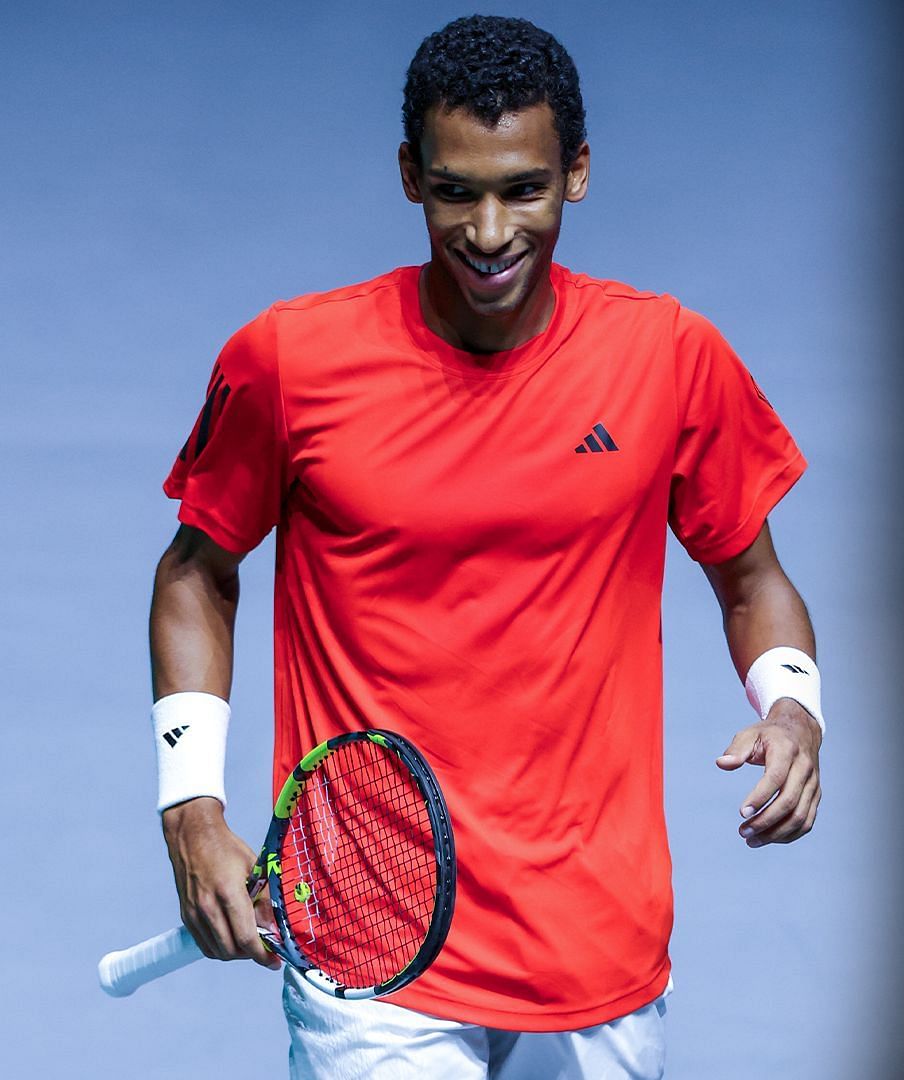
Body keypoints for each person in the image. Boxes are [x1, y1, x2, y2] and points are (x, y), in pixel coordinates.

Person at [148, 15, 823, 1078]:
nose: (492, 230)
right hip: (370, 949)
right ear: (411, 176)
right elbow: (196, 574)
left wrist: (793, 706)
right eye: (457, 190)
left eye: (526, 188)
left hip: (598, 945)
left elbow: (752, 577)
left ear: (580, 174)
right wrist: (191, 805)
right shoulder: (288, 360)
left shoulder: (670, 357)